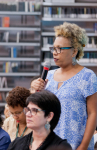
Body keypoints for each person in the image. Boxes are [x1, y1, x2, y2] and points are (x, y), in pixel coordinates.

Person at [31, 22, 97, 150]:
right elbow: (37, 110)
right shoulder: (48, 75)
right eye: (53, 48)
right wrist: (34, 90)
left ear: (74, 52)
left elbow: (93, 113)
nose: (54, 53)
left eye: (59, 49)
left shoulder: (88, 76)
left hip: (75, 145)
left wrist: (83, 147)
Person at [7, 90, 72, 150]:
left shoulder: (61, 147)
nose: (28, 114)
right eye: (28, 110)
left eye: (34, 110)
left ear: (49, 116)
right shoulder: (16, 144)